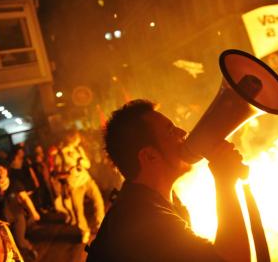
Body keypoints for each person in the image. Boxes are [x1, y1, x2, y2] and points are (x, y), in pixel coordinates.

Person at [86, 99, 250, 261]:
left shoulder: (153, 205)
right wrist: (225, 181)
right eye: (171, 131)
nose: (183, 133)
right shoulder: (141, 221)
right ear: (149, 156)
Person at [0, 161, 40, 261]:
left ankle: (29, 248)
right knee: (7, 244)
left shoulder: (14, 183)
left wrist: (34, 212)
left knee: (20, 241)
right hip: (2, 221)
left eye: (1, 170)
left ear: (6, 171)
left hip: (17, 216)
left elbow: (25, 198)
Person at [61, 130, 104, 244]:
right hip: (74, 185)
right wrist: (77, 160)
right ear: (73, 138)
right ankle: (85, 231)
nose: (79, 139)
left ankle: (100, 224)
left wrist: (80, 161)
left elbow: (87, 164)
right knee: (78, 210)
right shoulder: (63, 152)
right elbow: (68, 163)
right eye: (77, 137)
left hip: (86, 180)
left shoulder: (79, 149)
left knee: (98, 201)